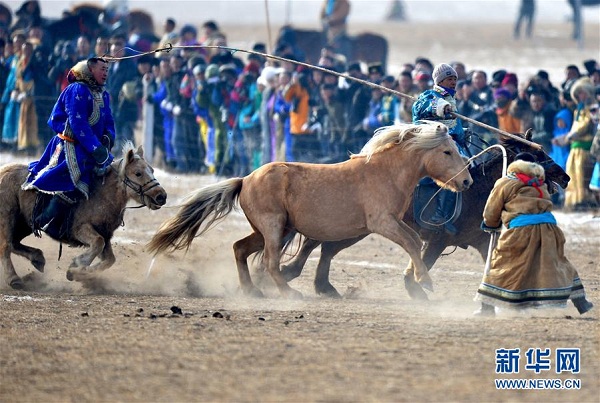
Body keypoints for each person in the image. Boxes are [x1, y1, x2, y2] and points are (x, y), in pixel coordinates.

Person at [474, 153, 593, 316]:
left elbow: (491, 210)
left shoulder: (505, 182)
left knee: (502, 264)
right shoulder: (540, 183)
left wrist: (490, 224)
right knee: (556, 263)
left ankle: (486, 308)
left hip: (520, 232)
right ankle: (580, 301)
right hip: (549, 230)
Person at [21, 57, 115, 238]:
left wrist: (108, 138)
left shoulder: (103, 94)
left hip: (91, 147)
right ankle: (44, 219)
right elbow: (78, 124)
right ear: (90, 69)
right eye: (102, 69)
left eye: (107, 70)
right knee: (73, 180)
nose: (105, 73)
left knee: (109, 176)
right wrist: (96, 148)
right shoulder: (77, 89)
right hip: (70, 145)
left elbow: (109, 121)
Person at [412, 63, 468, 235]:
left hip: (452, 144)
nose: (453, 82)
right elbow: (421, 107)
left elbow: (453, 125)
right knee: (454, 172)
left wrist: (462, 131)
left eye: (454, 79)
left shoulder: (452, 99)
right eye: (449, 79)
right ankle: (441, 215)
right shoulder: (431, 95)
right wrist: (440, 107)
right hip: (434, 145)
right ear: (440, 81)